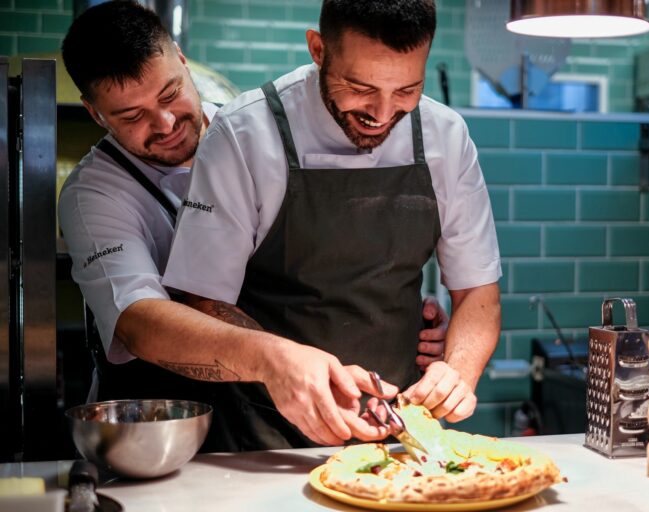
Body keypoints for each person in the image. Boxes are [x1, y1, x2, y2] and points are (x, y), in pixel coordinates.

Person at [58, 0, 448, 451]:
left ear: (183, 62)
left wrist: (399, 312)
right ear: (94, 113)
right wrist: (277, 359)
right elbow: (136, 321)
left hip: (255, 419)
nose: (164, 123)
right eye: (132, 116)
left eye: (170, 94)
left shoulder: (244, 126)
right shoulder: (94, 195)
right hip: (158, 431)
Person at [162, 0, 502, 449]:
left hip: (394, 430)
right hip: (262, 434)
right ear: (318, 49)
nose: (381, 114)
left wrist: (455, 372)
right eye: (360, 87)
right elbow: (199, 304)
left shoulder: (447, 137)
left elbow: (478, 292)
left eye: (406, 91)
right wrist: (282, 364)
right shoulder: (244, 135)